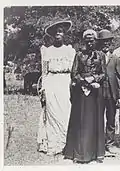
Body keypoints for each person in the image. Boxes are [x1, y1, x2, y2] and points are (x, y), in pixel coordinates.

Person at [63, 29, 106, 163]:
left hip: (96, 92)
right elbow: (74, 73)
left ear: (96, 41)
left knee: (95, 121)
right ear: (84, 41)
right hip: (82, 93)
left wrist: (94, 79)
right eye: (87, 41)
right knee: (81, 121)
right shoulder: (79, 55)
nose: (90, 43)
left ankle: (95, 154)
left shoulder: (101, 55)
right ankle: (80, 153)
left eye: (92, 40)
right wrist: (84, 81)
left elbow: (104, 74)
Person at [37, 20, 76, 155]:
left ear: (64, 34)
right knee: (52, 112)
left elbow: (73, 71)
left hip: (65, 82)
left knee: (65, 111)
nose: (58, 34)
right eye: (56, 32)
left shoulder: (70, 50)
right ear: (52, 36)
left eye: (60, 32)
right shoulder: (47, 51)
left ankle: (65, 143)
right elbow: (44, 72)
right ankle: (53, 143)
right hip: (51, 81)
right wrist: (43, 88)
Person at [97, 29, 120, 153]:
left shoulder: (115, 58)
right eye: (103, 41)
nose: (105, 44)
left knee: (111, 119)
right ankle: (98, 143)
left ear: (111, 43)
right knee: (98, 118)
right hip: (98, 93)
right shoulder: (95, 56)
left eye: (108, 41)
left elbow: (119, 78)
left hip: (112, 93)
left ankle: (110, 143)